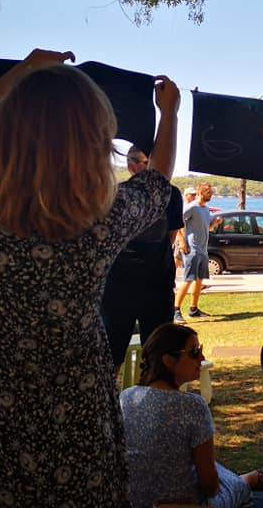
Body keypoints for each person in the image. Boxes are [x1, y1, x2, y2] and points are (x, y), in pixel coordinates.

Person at [0, 49, 179, 507]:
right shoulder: (101, 217)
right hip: (74, 423)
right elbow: (158, 182)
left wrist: (25, 71)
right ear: (94, 139)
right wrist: (170, 114)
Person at [121, 323, 263, 508]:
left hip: (135, 500)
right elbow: (210, 486)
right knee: (231, 484)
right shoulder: (192, 406)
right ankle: (247, 480)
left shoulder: (126, 397)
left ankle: (247, 478)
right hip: (189, 504)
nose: (202, 357)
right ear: (169, 360)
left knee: (217, 470)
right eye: (194, 352)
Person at [102, 145, 185, 372]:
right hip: (118, 287)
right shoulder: (117, 195)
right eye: (143, 162)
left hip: (157, 287)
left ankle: (153, 402)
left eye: (152, 162)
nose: (149, 167)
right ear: (130, 166)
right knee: (111, 354)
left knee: (159, 353)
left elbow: (171, 234)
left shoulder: (172, 194)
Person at [174, 182, 222, 322]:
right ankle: (176, 310)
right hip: (192, 249)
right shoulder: (192, 207)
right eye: (208, 193)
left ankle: (193, 309)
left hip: (203, 249)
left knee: (199, 280)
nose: (211, 195)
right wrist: (182, 241)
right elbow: (178, 220)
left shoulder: (206, 209)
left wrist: (216, 223)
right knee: (188, 279)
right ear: (201, 193)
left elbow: (208, 228)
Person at [174, 186, 198, 271]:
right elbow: (176, 223)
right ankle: (167, 280)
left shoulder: (193, 207)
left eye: (195, 194)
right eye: (192, 194)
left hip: (190, 238)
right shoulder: (182, 207)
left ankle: (197, 282)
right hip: (183, 239)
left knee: (191, 261)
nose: (194, 196)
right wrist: (181, 240)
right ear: (186, 195)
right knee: (178, 261)